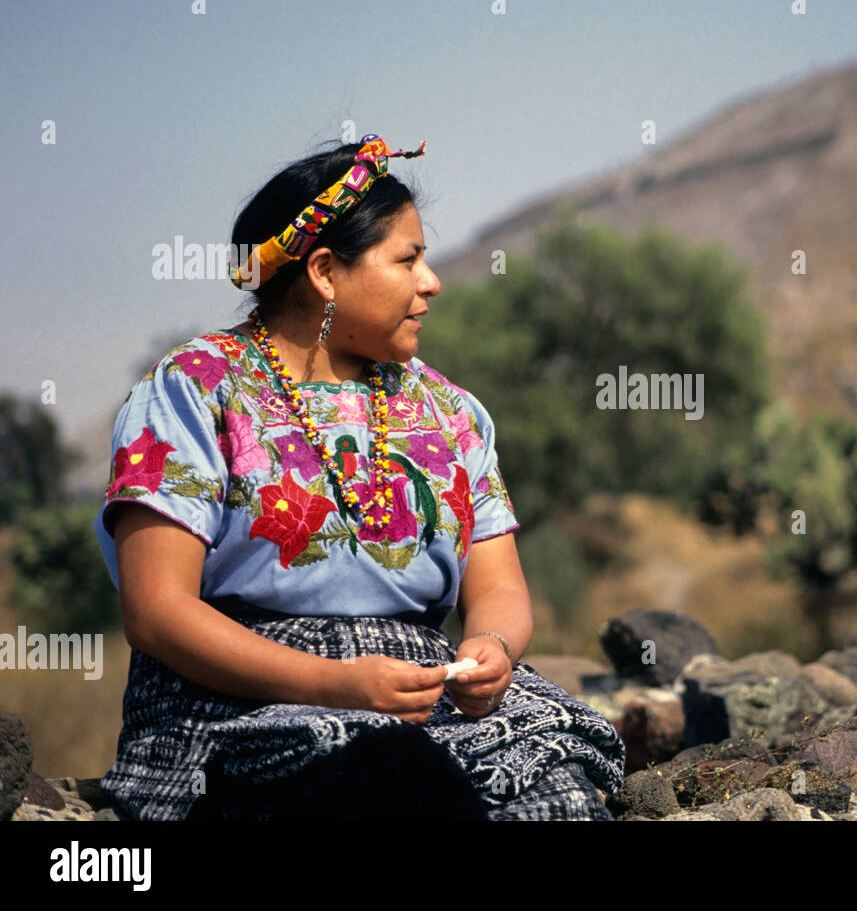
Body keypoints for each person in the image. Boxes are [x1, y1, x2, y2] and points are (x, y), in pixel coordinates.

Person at [92, 133, 625, 821]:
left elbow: (496, 585)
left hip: (417, 688)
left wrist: (489, 648)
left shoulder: (450, 411)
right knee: (388, 781)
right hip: (236, 700)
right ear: (323, 273)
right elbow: (157, 613)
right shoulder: (196, 391)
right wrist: (337, 684)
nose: (431, 281)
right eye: (408, 259)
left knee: (558, 798)